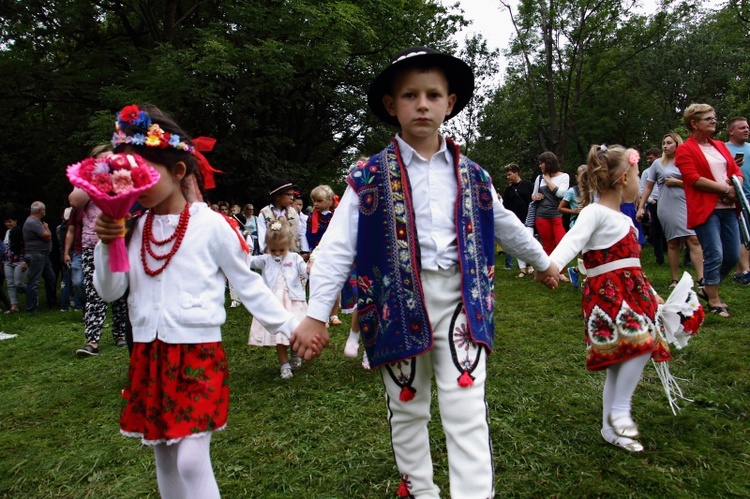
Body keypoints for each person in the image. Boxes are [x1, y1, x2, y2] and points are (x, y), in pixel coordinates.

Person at [291, 46, 558, 498]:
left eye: (433, 94)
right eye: (410, 95)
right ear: (392, 105)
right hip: (395, 306)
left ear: (449, 103)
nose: (422, 104)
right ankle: (420, 490)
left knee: (466, 403)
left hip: (461, 303)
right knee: (407, 405)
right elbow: (337, 247)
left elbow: (504, 223)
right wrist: (317, 313)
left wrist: (543, 261)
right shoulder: (368, 176)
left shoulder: (473, 175)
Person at [93, 104, 304, 498]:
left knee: (191, 459)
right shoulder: (132, 228)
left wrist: (292, 328)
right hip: (149, 355)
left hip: (197, 354)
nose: (132, 180)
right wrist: (108, 245)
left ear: (177, 173)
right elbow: (109, 291)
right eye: (127, 171)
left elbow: (249, 284)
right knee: (165, 454)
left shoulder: (211, 226)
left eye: (144, 170)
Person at [549, 144, 671, 453]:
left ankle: (610, 428)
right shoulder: (593, 212)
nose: (640, 182)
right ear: (622, 178)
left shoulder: (627, 221)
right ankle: (619, 411)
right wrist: (549, 267)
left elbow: (633, 265)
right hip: (606, 293)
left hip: (634, 292)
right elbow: (570, 242)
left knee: (623, 360)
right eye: (637, 175)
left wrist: (655, 296)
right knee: (641, 343)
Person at [675, 103, 743, 317]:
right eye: (708, 118)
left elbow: (735, 170)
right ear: (694, 123)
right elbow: (693, 178)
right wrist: (724, 189)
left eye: (714, 117)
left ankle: (706, 287)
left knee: (732, 255)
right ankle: (714, 299)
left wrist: (735, 186)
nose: (714, 121)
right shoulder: (685, 149)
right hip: (706, 208)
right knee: (715, 253)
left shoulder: (720, 146)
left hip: (729, 207)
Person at [70, 145, 129, 357]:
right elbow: (75, 202)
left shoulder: (123, 179)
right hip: (91, 245)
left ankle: (121, 334)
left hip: (119, 242)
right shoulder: (86, 181)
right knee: (94, 293)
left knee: (121, 294)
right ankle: (92, 341)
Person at [637, 133, 704, 289]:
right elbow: (648, 186)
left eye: (669, 143)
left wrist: (678, 182)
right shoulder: (658, 164)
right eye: (663, 143)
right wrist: (641, 206)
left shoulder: (687, 161)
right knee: (672, 242)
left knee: (693, 239)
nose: (665, 146)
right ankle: (675, 279)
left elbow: (696, 183)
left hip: (687, 203)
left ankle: (701, 278)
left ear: (677, 144)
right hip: (667, 205)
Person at [248, 221, 307, 379]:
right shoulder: (265, 260)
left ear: (289, 245)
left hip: (293, 301)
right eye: (273, 250)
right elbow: (249, 261)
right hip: (274, 303)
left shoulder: (295, 258)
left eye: (281, 250)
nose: (277, 253)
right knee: (279, 335)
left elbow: (304, 270)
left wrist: (310, 269)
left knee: (296, 331)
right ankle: (284, 364)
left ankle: (295, 354)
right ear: (268, 246)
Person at [306, 184, 342, 325]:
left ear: (329, 201)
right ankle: (322, 315)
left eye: (319, 201)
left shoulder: (337, 215)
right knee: (319, 283)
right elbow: (309, 235)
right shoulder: (312, 217)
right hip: (318, 252)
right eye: (314, 201)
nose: (315, 204)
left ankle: (334, 314)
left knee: (335, 283)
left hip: (334, 252)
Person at [533, 151, 570, 280]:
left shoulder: (564, 176)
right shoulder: (539, 178)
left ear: (548, 163)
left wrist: (548, 181)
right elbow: (533, 195)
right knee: (547, 245)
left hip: (556, 215)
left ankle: (560, 272)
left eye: (541, 163)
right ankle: (550, 274)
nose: (540, 166)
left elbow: (561, 194)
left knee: (561, 243)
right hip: (541, 217)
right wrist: (535, 197)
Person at [725, 116, 750, 284]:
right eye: (742, 128)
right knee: (742, 234)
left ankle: (741, 271)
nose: (746, 130)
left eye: (747, 127)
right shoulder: (723, 149)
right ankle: (746, 270)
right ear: (731, 131)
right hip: (735, 196)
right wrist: (732, 165)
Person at [257, 179, 309, 256]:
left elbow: (301, 232)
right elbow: (262, 236)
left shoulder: (293, 213)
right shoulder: (264, 214)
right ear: (277, 196)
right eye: (289, 195)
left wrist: (305, 251)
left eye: (293, 195)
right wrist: (267, 251)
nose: (292, 198)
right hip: (274, 255)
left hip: (293, 255)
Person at [22, 201, 57, 312]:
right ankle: (31, 308)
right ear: (40, 211)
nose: (45, 212)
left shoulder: (34, 221)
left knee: (51, 278)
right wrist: (47, 227)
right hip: (36, 254)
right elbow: (47, 236)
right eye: (44, 210)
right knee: (33, 281)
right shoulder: (33, 222)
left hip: (42, 255)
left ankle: (51, 303)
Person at [502, 163, 534, 276]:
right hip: (515, 221)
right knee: (518, 245)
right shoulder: (508, 190)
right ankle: (522, 269)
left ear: (516, 173)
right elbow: (505, 207)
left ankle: (530, 265)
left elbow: (533, 201)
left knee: (528, 243)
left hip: (528, 219)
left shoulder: (528, 185)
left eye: (509, 174)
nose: (508, 177)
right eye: (507, 175)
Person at [640, 148, 666, 264]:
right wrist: (650, 201)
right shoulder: (646, 172)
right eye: (648, 158)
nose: (649, 160)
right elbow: (642, 189)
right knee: (656, 229)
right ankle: (659, 257)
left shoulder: (666, 169)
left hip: (667, 200)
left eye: (651, 158)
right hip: (654, 202)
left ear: (658, 156)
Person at [3, 212, 26, 313]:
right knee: (10, 284)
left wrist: (25, 261)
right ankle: (14, 305)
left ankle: (32, 294)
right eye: (6, 222)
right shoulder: (7, 232)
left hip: (19, 260)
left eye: (10, 221)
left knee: (18, 283)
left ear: (15, 221)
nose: (8, 224)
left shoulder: (19, 231)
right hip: (8, 261)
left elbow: (24, 247)